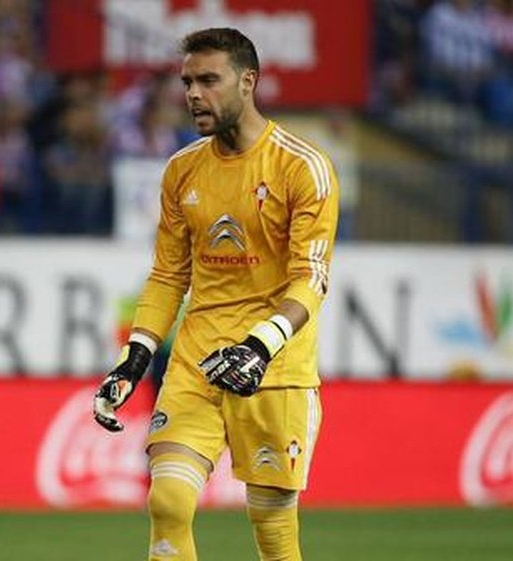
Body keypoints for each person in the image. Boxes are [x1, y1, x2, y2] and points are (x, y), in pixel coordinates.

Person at [92, 27, 339, 560]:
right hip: (196, 362)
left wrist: (259, 345)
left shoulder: (302, 166)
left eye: (209, 80)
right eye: (187, 82)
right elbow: (167, 277)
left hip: (274, 370)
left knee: (274, 534)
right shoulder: (182, 170)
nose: (194, 94)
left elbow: (310, 278)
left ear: (248, 81)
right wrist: (133, 359)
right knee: (169, 502)